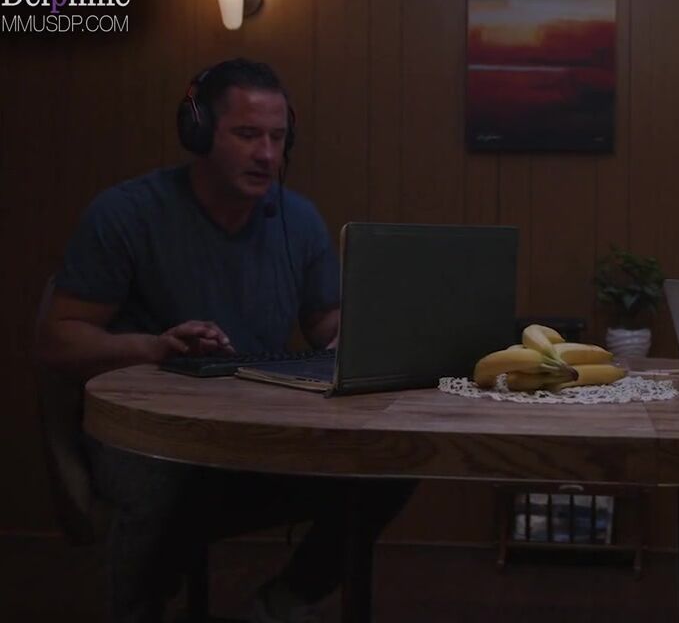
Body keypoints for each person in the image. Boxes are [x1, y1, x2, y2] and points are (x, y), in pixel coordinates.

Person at [35, 58, 414, 623]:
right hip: (148, 438)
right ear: (198, 131)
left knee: (395, 462)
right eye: (247, 134)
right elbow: (57, 341)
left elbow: (326, 324)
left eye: (278, 138)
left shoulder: (298, 220)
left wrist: (359, 339)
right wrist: (154, 347)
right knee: (160, 479)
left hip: (256, 437)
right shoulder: (126, 213)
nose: (267, 154)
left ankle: (286, 601)